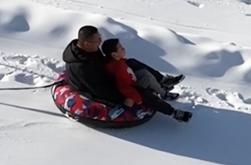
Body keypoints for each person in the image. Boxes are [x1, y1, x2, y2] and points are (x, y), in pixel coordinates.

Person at [62, 26, 192, 122]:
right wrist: (122, 99)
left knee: (131, 62)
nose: (100, 42)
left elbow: (101, 62)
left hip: (104, 77)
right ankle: (174, 113)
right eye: (98, 40)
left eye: (100, 38)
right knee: (140, 92)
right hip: (93, 89)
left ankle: (163, 80)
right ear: (87, 44)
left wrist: (116, 61)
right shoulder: (82, 67)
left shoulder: (87, 49)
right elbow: (99, 89)